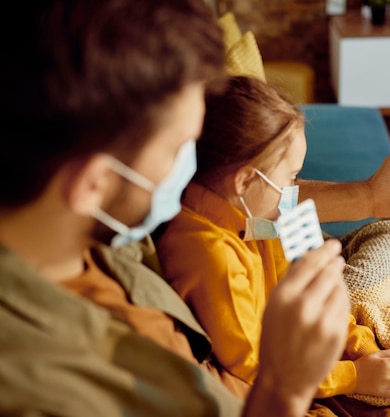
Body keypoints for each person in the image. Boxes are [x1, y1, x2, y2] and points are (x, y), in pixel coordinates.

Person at [0, 1, 352, 416]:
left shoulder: (94, 234)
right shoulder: (44, 386)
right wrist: (284, 389)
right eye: (176, 150)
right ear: (94, 184)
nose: (193, 169)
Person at [155, 76, 390, 415]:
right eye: (291, 177)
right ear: (244, 181)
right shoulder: (210, 255)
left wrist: (367, 346)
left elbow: (317, 302)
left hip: (328, 360)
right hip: (322, 390)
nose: (295, 190)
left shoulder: (252, 219)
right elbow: (257, 365)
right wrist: (357, 374)